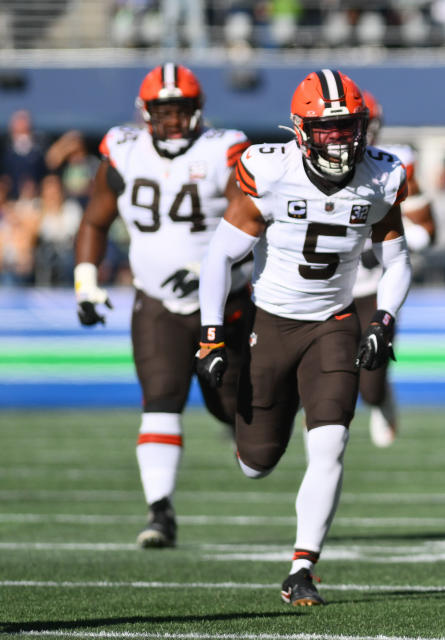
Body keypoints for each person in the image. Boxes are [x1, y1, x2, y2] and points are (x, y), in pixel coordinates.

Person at [196, 69, 411, 606]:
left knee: (332, 441)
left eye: (349, 128)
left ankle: (302, 567)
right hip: (270, 325)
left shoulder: (382, 176)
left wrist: (383, 319)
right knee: (256, 463)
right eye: (329, 129)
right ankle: (255, 409)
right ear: (300, 131)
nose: (341, 140)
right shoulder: (270, 172)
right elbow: (220, 255)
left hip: (334, 324)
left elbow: (398, 259)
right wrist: (211, 335)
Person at [73, 62, 253, 549]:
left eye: (181, 112)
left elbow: (255, 223)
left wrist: (204, 270)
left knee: (232, 407)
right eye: (163, 112)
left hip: (223, 300)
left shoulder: (224, 152)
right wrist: (86, 282)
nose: (172, 122)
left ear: (197, 112)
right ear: (146, 113)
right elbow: (94, 221)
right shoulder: (125, 153)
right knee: (160, 399)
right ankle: (160, 512)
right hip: (155, 300)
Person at [351, 89, 434, 447]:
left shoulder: (393, 164)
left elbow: (426, 231)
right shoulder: (300, 165)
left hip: (371, 287)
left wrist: (387, 244)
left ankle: (379, 397)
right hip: (325, 288)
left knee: (369, 384)